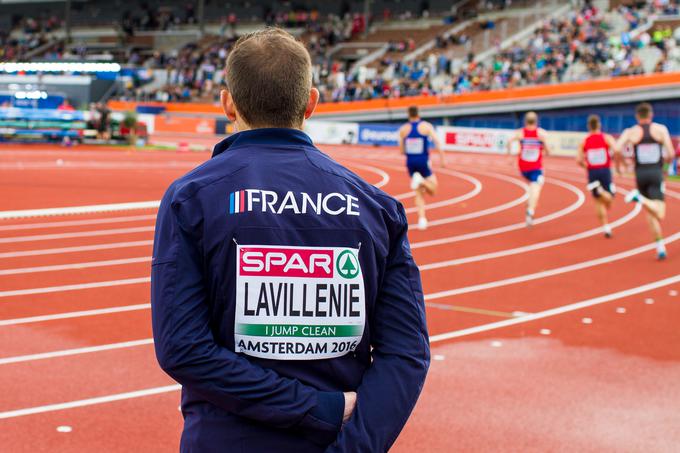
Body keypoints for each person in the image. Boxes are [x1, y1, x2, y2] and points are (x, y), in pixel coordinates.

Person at [151, 28, 430, 453]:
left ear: (227, 103)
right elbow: (406, 355)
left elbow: (183, 349)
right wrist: (346, 438)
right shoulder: (379, 208)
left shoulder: (191, 198)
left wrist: (317, 407)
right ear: (312, 102)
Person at [615, 102, 674, 260]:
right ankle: (639, 198)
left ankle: (660, 247)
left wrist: (621, 165)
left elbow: (616, 148)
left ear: (637, 117)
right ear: (651, 115)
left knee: (650, 212)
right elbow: (671, 153)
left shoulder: (631, 132)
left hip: (640, 174)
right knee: (660, 213)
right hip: (655, 172)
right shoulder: (660, 130)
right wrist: (666, 168)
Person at [398, 105, 445, 230]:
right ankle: (422, 180)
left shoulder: (403, 129)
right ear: (418, 113)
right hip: (423, 161)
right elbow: (437, 142)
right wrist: (442, 159)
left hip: (410, 163)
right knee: (433, 190)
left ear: (408, 114)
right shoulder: (426, 126)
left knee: (418, 192)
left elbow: (402, 151)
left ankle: (422, 219)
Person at [577, 114, 618, 238]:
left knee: (598, 201)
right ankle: (604, 193)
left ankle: (606, 227)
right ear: (599, 125)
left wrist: (587, 166)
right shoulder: (607, 138)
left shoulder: (584, 141)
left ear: (589, 126)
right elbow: (616, 150)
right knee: (610, 197)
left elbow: (578, 160)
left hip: (592, 172)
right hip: (605, 170)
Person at [507, 111, 551, 226]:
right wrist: (544, 147)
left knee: (533, 186)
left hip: (522, 167)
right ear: (536, 121)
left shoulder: (520, 133)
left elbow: (509, 141)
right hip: (535, 167)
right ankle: (530, 209)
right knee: (536, 186)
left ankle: (530, 202)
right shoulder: (541, 134)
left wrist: (510, 156)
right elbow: (548, 151)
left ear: (525, 121)